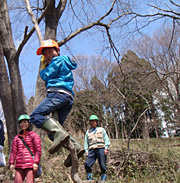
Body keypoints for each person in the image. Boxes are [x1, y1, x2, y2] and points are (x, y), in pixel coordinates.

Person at [30, 39, 84, 167]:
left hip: (57, 93)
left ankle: (62, 135)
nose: (48, 55)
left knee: (35, 116)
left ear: (57, 51)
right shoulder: (63, 61)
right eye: (45, 54)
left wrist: (43, 68)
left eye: (50, 51)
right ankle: (76, 148)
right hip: (67, 98)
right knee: (52, 134)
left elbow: (46, 75)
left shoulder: (58, 60)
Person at [9, 114, 41, 183]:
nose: (23, 124)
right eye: (21, 122)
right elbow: (13, 152)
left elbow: (37, 150)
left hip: (30, 165)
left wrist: (36, 162)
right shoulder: (17, 138)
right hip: (19, 165)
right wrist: (11, 163)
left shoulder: (34, 135)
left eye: (25, 122)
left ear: (29, 123)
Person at [84, 115, 110, 181]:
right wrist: (86, 151)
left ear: (96, 122)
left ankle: (103, 179)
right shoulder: (88, 132)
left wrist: (106, 148)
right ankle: (89, 178)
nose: (92, 123)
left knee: (102, 165)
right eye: (91, 121)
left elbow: (106, 139)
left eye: (93, 121)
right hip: (92, 149)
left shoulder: (101, 130)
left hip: (101, 148)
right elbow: (86, 142)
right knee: (87, 164)